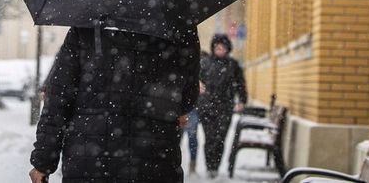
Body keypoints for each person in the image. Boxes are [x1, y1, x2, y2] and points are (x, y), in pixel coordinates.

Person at [28, 26, 201, 183]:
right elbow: (187, 97)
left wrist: (43, 162)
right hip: (153, 158)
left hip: (90, 159)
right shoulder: (180, 26)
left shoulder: (86, 25)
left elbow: (58, 100)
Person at [196, 33, 247, 178]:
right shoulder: (205, 63)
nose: (219, 49)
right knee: (209, 139)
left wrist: (242, 100)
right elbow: (195, 79)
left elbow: (240, 84)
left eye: (222, 47)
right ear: (212, 47)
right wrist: (197, 85)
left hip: (225, 107)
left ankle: (216, 166)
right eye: (217, 47)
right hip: (207, 107)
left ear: (227, 48)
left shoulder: (233, 65)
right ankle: (209, 167)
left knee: (220, 139)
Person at [181, 50, 212, 174]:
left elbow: (206, 87)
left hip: (191, 106)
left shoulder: (202, 65)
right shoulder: (182, 61)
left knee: (191, 136)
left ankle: (192, 165)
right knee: (180, 136)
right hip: (180, 104)